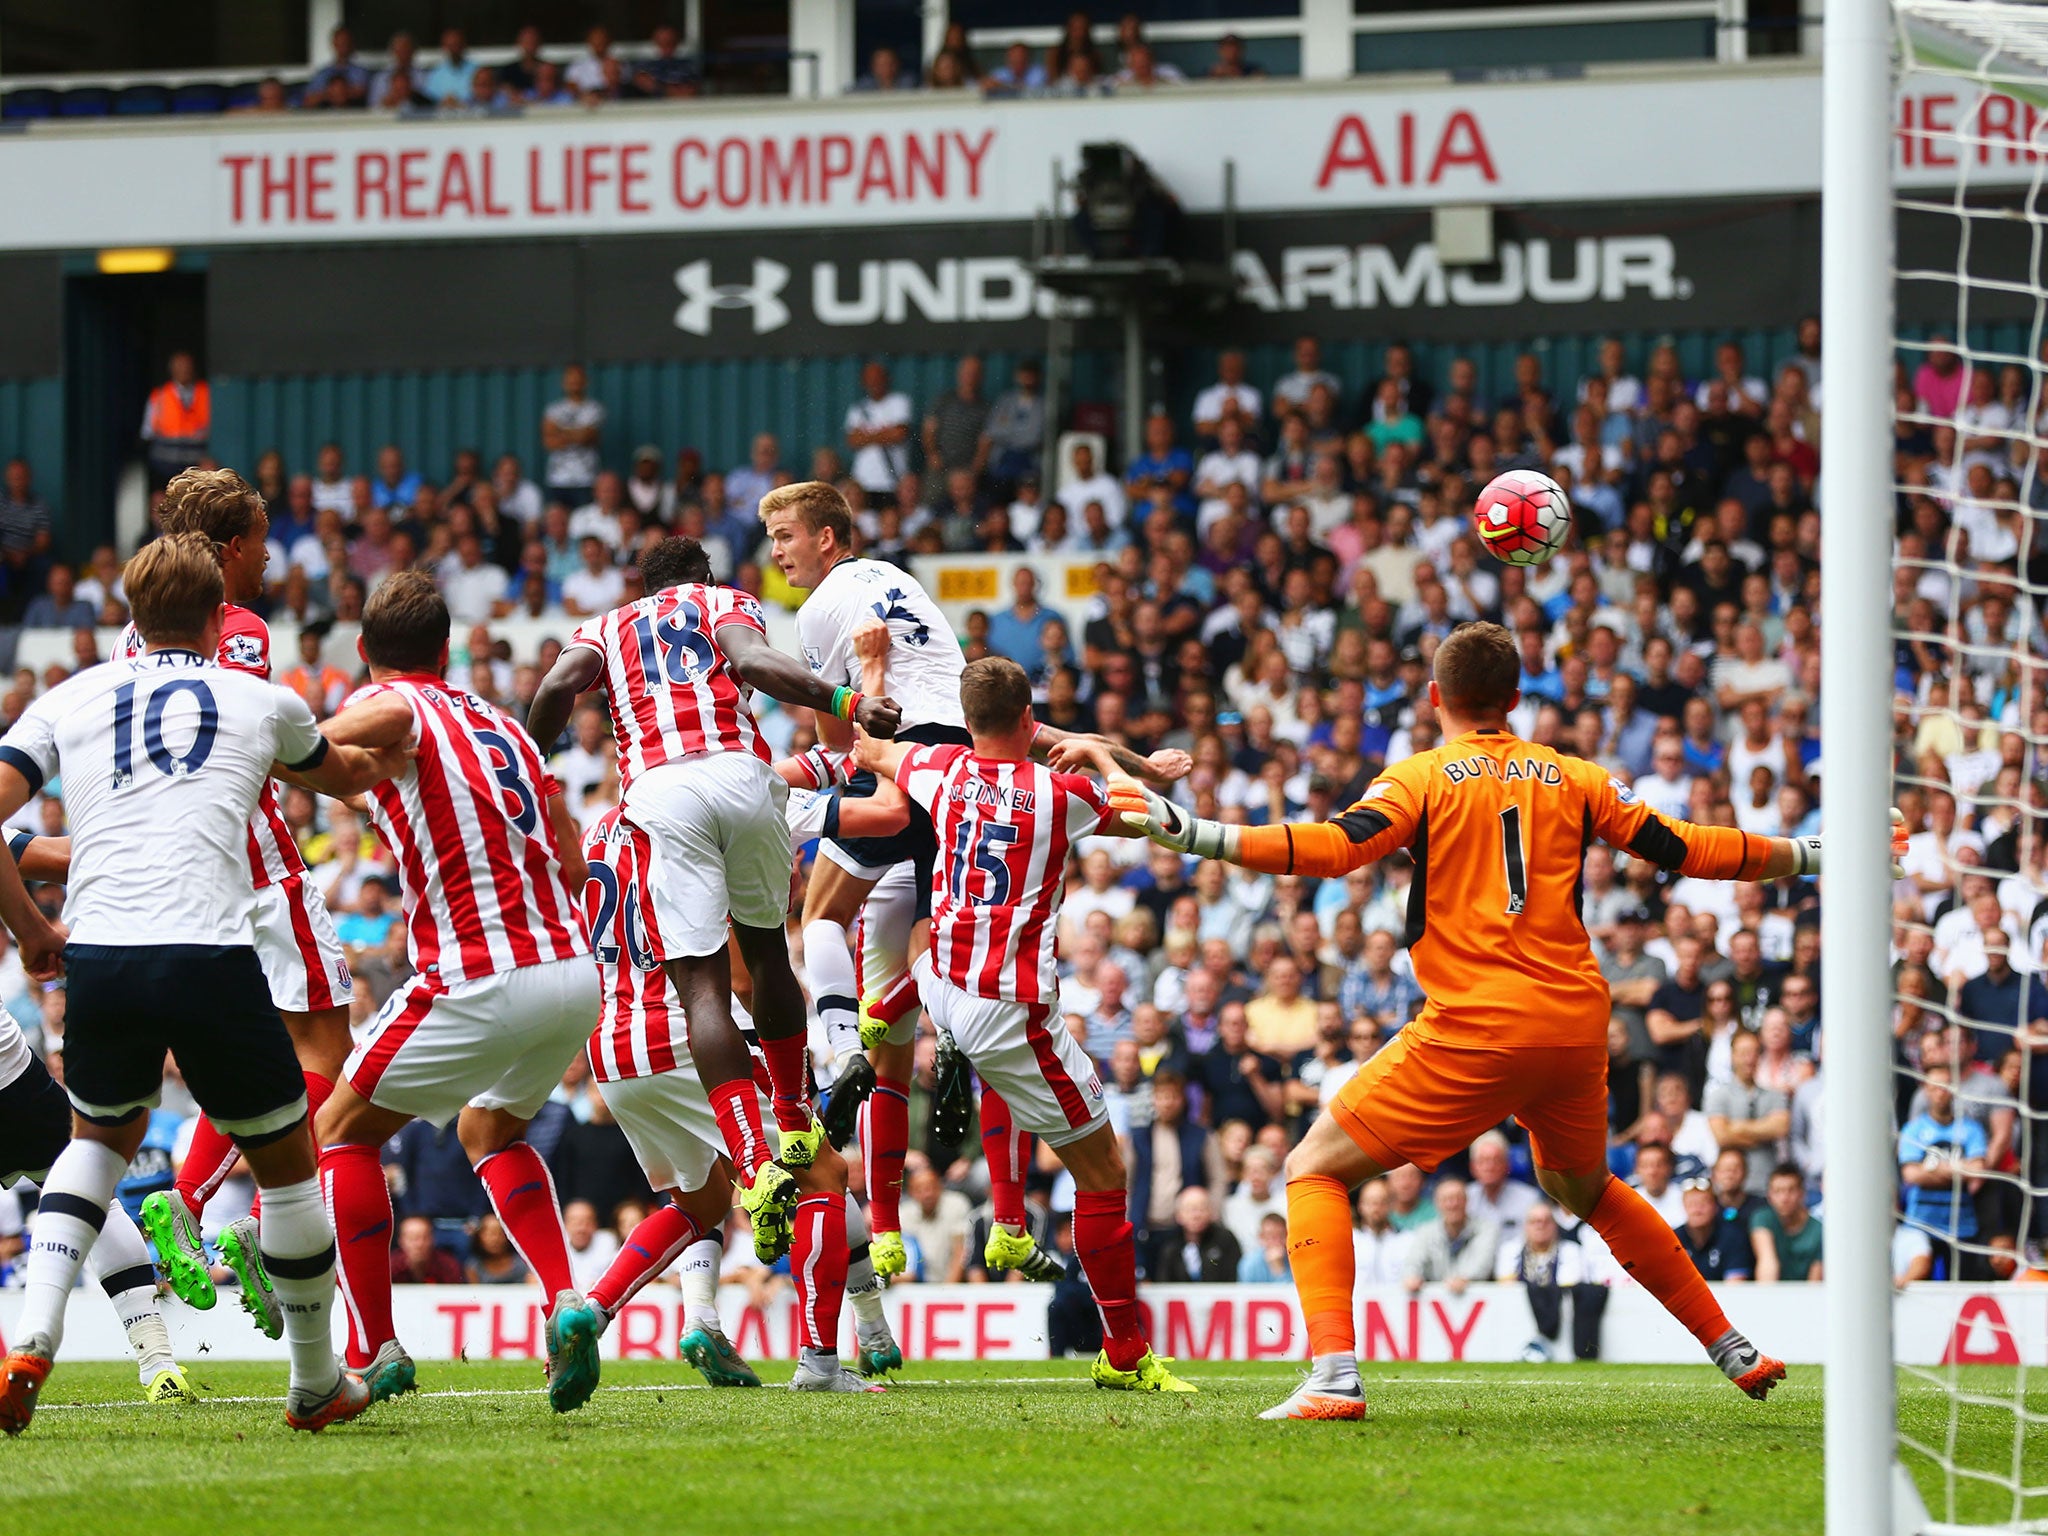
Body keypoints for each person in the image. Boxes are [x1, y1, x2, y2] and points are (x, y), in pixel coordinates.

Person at [1112, 620, 1870, 1419]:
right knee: (1583, 1184)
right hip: (1575, 1024)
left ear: (1435, 696)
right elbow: (1686, 849)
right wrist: (1820, 851)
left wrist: (1194, 833)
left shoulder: (1421, 777)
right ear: (1515, 700)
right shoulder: (1577, 776)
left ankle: (1334, 1374)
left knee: (1313, 1169)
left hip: (1477, 1023)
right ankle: (1731, 1345)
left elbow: (1334, 848)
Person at [0, 533, 406, 1434]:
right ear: (223, 617)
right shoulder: (261, 697)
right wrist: (396, 742)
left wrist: (33, 931)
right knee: (291, 1168)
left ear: (129, 615)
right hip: (210, 952)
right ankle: (314, 1384)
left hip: (101, 956)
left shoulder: (71, 696)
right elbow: (346, 781)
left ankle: (32, 1337)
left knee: (96, 1143)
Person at [761, 482, 1175, 1280]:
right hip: (960, 779)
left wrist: (814, 764)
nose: (778, 551)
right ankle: (1009, 1216)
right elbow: (999, 715)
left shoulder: (823, 610)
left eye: (787, 535)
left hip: (904, 770)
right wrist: (1129, 758)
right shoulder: (904, 585)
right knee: (965, 998)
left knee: (824, 922)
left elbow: (840, 729)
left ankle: (846, 1064)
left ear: (827, 537)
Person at [527, 536, 901, 1282]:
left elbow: (556, 689)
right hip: (739, 770)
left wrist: (530, 775)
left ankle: (756, 1161)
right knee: (766, 950)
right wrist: (849, 700)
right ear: (702, 577)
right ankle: (792, 1118)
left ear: (640, 583)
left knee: (700, 980)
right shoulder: (722, 602)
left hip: (660, 791)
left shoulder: (604, 628)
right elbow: (756, 663)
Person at [856, 656, 1196, 1392]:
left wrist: (871, 673)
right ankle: (1125, 1355)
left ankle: (880, 1015)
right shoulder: (1059, 790)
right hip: (1010, 1013)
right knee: (1105, 1173)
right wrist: (1104, 754)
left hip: (943, 978)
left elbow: (871, 748)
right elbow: (1150, 818)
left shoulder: (937, 767)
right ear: (1030, 721)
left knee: (934, 996)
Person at [308, 574, 599, 1411]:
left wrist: (290, 747)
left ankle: (376, 1348)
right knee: (488, 1128)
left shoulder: (401, 707)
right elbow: (574, 857)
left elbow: (344, 732)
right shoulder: (504, 725)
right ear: (447, 648)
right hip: (571, 973)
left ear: (368, 657)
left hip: (478, 971)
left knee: (339, 1135)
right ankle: (565, 1301)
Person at [85, 472, 358, 1343]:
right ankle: (203, 1204)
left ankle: (202, 1204)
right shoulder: (236, 631)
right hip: (258, 866)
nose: (273, 552)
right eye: (263, 537)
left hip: (178, 874)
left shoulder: (138, 634)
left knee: (253, 1054)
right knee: (328, 1049)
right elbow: (242, 737)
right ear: (232, 548)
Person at [549, 767, 904, 1394]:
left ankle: (592, 1308)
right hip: (684, 1032)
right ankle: (822, 1363)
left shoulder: (605, 828)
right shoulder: (702, 816)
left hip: (611, 1042)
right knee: (823, 1173)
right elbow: (742, 978)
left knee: (702, 1202)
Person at [0, 1001, 193, 1405]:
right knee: (95, 1199)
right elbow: (36, 938)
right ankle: (160, 1366)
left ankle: (22, 1348)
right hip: (14, 1077)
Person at [140, 352, 209, 486]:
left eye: (187, 366)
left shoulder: (206, 393)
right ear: (172, 369)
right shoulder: (159, 395)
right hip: (164, 467)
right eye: (179, 366)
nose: (183, 370)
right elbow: (147, 432)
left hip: (197, 466)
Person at [1751, 1161, 1822, 1282]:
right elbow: (1767, 1261)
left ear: (1802, 1193)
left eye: (1791, 1190)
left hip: (1805, 1295)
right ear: (1769, 1195)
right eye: (1778, 1191)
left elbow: (1815, 1279)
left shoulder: (1819, 1229)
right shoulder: (1762, 1218)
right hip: (1773, 1293)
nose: (1784, 1198)